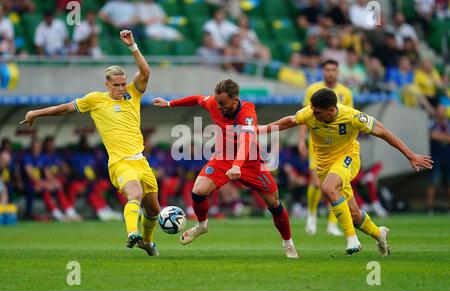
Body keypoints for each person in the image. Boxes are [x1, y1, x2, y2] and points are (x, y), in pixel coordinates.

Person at [20, 30, 160, 257]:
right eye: (117, 85)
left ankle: (147, 242)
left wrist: (132, 46)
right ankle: (132, 233)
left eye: (123, 84)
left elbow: (145, 72)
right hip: (120, 163)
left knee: (154, 210)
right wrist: (36, 112)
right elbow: (65, 108)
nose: (122, 88)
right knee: (134, 194)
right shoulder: (95, 100)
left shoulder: (133, 95)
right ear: (107, 84)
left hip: (141, 161)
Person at [263, 88, 433, 255]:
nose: (313, 115)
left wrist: (410, 155)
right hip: (325, 165)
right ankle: (379, 234)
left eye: (318, 112)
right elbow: (290, 121)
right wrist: (262, 129)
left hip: (347, 158)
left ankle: (352, 239)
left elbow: (383, 132)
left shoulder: (352, 116)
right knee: (354, 214)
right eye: (313, 110)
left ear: (331, 110)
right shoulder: (309, 112)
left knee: (329, 188)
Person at [153, 79, 299, 259]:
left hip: (251, 161)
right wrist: (169, 104)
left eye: (222, 103)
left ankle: (288, 244)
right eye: (217, 102)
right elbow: (197, 99)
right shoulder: (214, 103)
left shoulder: (247, 112)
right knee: (198, 191)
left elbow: (246, 141)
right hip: (223, 157)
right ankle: (202, 225)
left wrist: (237, 165)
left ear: (235, 99)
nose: (219, 107)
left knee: (274, 204)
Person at [298, 59, 353, 237]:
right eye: (327, 70)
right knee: (316, 182)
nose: (330, 73)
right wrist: (301, 140)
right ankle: (312, 215)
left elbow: (349, 120)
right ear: (323, 72)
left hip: (339, 147)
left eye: (333, 70)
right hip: (318, 145)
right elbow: (305, 117)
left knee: (336, 186)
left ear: (338, 73)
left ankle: (332, 224)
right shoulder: (313, 90)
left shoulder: (345, 93)